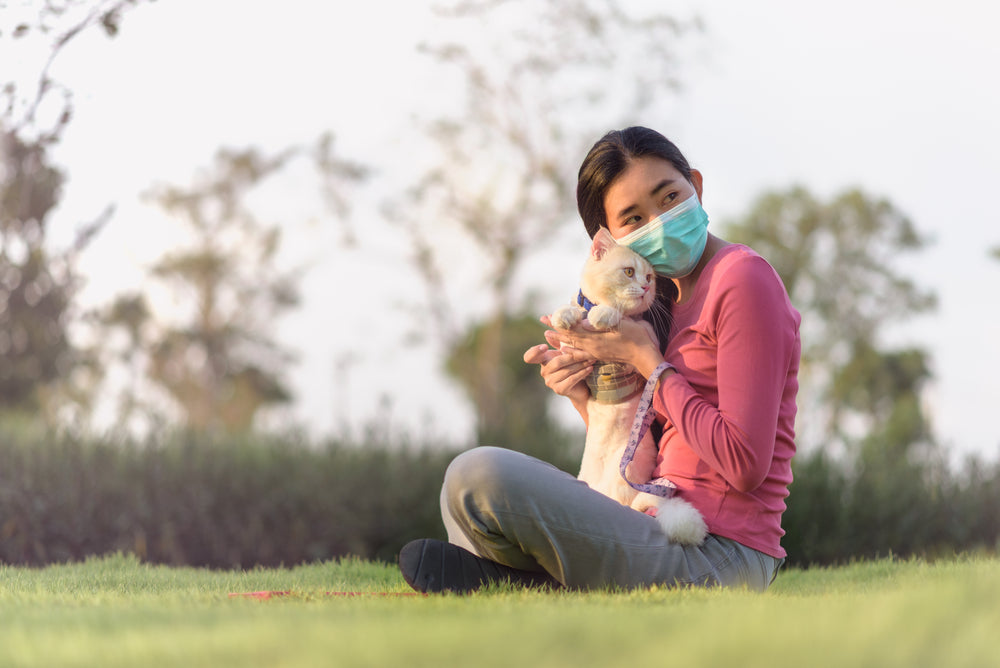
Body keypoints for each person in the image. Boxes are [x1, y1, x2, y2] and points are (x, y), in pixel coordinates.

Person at [398, 126, 801, 593]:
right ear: (606, 241)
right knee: (459, 494)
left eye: (669, 196)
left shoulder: (742, 279)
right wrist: (585, 399)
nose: (660, 220)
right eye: (634, 217)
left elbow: (744, 465)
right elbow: (648, 449)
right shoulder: (661, 302)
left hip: (719, 552)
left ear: (697, 185)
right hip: (649, 515)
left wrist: (647, 360)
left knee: (478, 476)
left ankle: (531, 586)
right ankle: (531, 590)